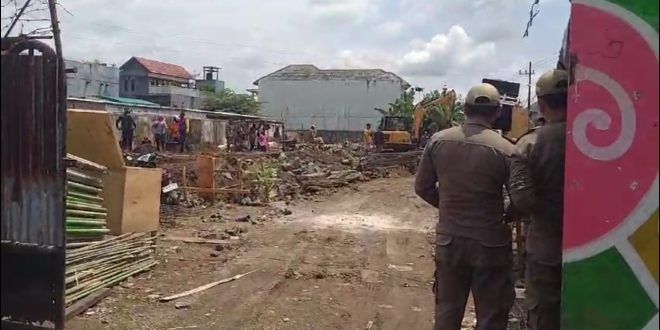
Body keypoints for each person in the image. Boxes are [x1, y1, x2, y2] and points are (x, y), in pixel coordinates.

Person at [415, 83, 534, 330]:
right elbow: (522, 200)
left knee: (447, 313)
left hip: (450, 242)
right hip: (491, 244)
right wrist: (505, 215)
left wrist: (448, 206)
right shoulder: (507, 149)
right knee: (491, 316)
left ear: (465, 109)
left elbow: (422, 187)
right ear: (497, 111)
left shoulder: (438, 141)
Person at [515, 69, 568, 330]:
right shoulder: (599, 135)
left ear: (543, 104)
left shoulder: (532, 143)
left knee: (544, 314)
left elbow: (521, 199)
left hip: (546, 246)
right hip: (596, 244)